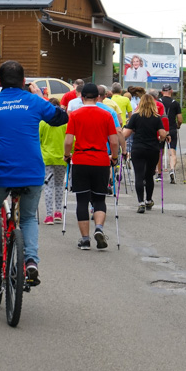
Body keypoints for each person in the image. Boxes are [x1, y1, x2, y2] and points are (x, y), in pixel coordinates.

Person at [0, 61, 68, 285]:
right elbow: (62, 118)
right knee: (29, 216)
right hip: (32, 172)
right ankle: (31, 261)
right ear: (24, 82)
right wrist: (39, 95)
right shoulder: (34, 102)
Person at [64, 83, 119, 249]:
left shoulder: (75, 114)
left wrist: (67, 155)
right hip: (101, 159)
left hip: (81, 159)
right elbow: (114, 141)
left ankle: (85, 239)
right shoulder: (107, 114)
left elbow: (68, 141)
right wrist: (114, 158)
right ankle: (99, 228)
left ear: (81, 97)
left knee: (82, 200)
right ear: (98, 97)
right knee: (99, 198)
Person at [123, 94, 167, 213]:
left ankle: (140, 202)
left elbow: (126, 134)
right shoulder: (156, 117)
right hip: (152, 149)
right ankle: (148, 200)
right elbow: (163, 134)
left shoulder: (135, 117)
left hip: (138, 148)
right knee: (149, 175)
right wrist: (161, 139)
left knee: (139, 175)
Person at [39, 97, 67, 225]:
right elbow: (71, 139)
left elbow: (38, 139)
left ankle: (49, 215)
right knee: (59, 185)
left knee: (48, 186)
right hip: (62, 158)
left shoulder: (43, 122)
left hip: (47, 158)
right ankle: (58, 213)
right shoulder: (65, 123)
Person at [160, 84, 183, 184]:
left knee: (160, 151)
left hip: (160, 129)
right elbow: (180, 119)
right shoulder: (175, 103)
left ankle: (159, 172)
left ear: (162, 92)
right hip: (172, 129)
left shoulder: (158, 102)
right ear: (171, 91)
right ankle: (172, 169)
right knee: (172, 152)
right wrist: (178, 125)